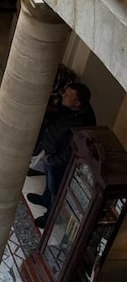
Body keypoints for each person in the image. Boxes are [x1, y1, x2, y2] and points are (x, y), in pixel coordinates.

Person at [26, 82, 96, 229]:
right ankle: (45, 199)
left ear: (77, 103)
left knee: (55, 189)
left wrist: (52, 159)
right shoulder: (68, 108)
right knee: (48, 181)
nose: (63, 95)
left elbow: (70, 151)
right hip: (50, 153)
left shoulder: (82, 123)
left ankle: (51, 217)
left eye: (68, 95)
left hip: (58, 161)